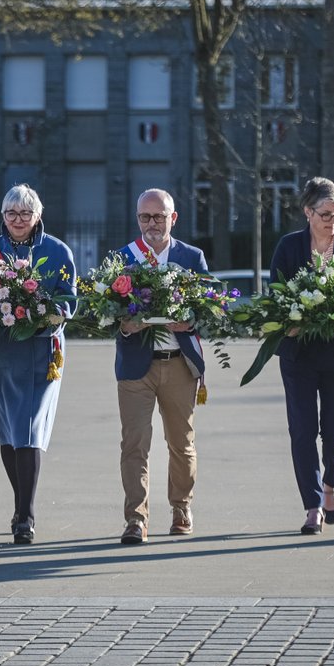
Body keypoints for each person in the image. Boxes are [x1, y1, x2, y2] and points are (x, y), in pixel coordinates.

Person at [0, 184, 76, 544]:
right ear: (3, 216)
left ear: (38, 215)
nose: (18, 220)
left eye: (25, 213)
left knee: (28, 429)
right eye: (11, 214)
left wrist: (51, 313)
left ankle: (25, 518)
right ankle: (20, 504)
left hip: (40, 353)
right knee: (8, 433)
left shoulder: (57, 251)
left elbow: (68, 299)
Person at [269, 177, 334, 535]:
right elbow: (276, 296)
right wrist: (290, 321)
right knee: (302, 430)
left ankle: (331, 485)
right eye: (326, 213)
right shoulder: (289, 246)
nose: (332, 220)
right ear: (308, 212)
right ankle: (312, 506)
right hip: (298, 352)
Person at [114, 189, 209, 545]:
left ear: (173, 218)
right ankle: (136, 519)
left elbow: (210, 308)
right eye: (144, 217)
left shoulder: (192, 257)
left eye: (159, 217)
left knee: (181, 444)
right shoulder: (123, 259)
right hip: (136, 365)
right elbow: (107, 311)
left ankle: (181, 507)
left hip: (180, 364)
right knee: (134, 444)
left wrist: (191, 323)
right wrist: (126, 324)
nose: (151, 224)